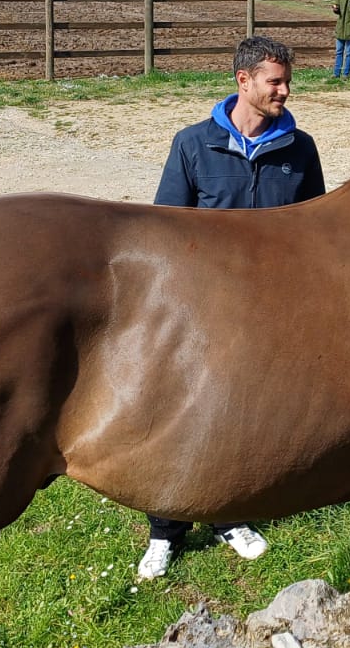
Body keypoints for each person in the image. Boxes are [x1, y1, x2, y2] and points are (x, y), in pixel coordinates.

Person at [139, 34, 327, 580]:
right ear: (243, 81)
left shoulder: (300, 149)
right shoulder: (193, 145)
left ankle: (230, 515)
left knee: (243, 417)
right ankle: (165, 530)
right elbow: (166, 231)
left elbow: (316, 228)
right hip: (200, 311)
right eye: (275, 82)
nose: (285, 92)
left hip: (269, 313)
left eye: (287, 82)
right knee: (179, 418)